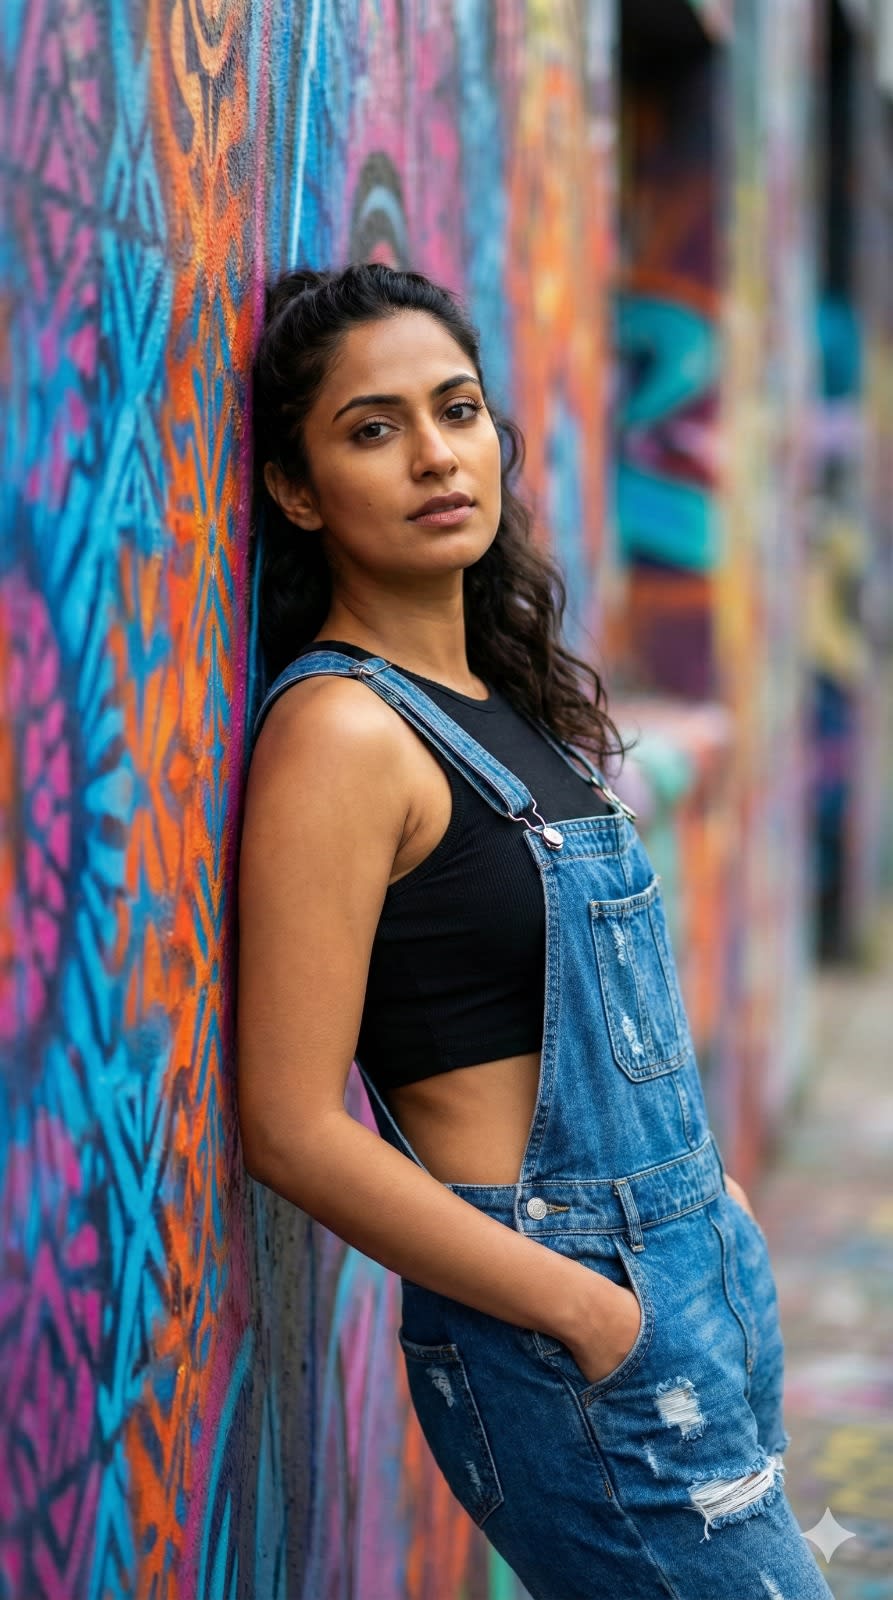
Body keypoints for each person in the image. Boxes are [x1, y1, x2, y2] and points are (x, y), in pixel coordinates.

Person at [237, 262, 833, 1599]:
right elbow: (287, 1124)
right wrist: (583, 1310)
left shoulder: (496, 707)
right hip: (569, 1334)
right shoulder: (341, 732)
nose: (434, 455)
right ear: (296, 488)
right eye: (371, 428)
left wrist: (710, 1219)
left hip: (689, 1287)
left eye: (455, 409)